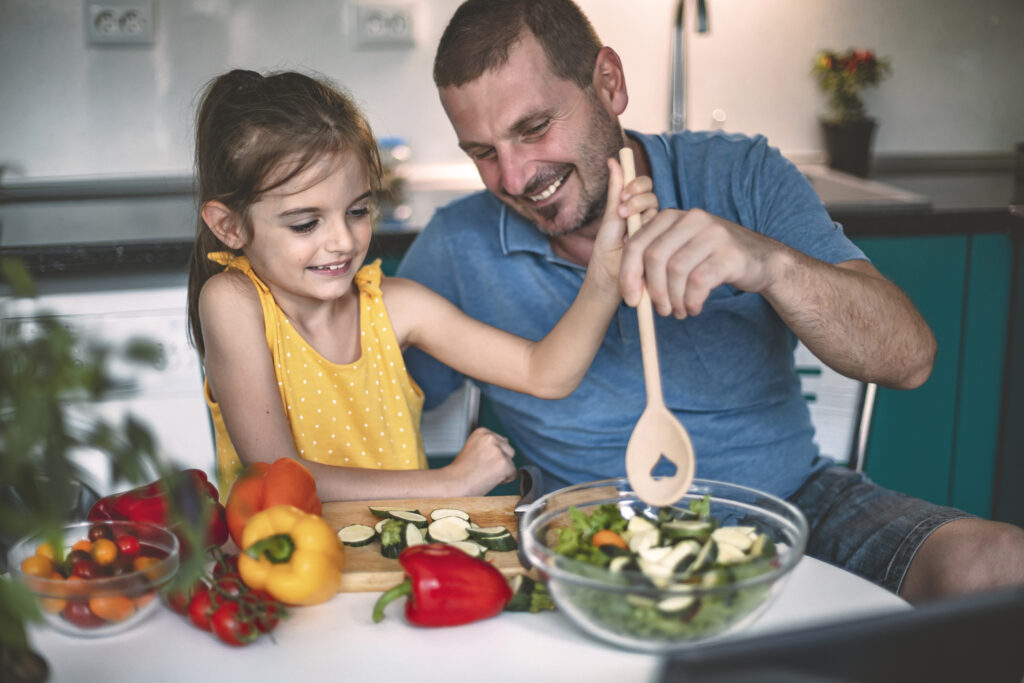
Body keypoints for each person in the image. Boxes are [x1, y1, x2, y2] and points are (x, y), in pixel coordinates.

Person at [396, 0, 1024, 603]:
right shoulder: (456, 247)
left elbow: (908, 359)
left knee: (998, 566)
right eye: (482, 151)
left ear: (608, 83)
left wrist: (768, 263)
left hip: (794, 506)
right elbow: (369, 408)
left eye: (534, 128)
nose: (513, 177)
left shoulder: (740, 175)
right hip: (585, 538)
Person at [184, 69, 657, 502]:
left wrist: (605, 271)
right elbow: (276, 474)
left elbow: (546, 372)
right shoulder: (232, 301)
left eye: (357, 211)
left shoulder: (396, 306)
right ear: (229, 227)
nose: (343, 241)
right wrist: (450, 482)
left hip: (406, 567)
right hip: (283, 572)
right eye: (306, 224)